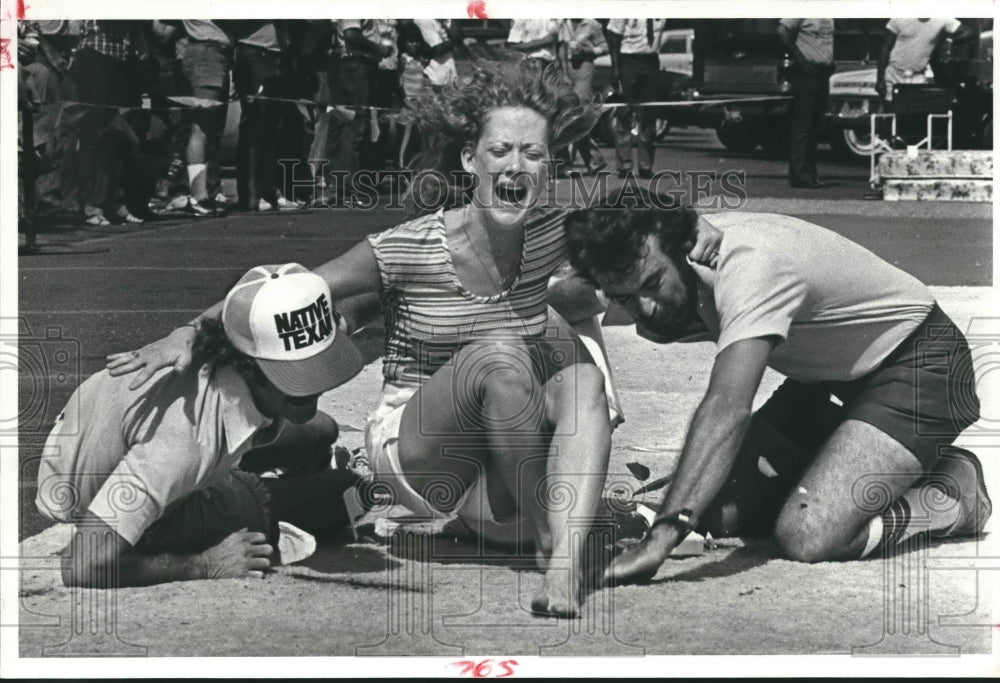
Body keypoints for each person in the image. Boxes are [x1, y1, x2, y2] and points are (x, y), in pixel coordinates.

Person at [105, 60, 723, 617]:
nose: (516, 166)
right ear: (469, 161)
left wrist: (708, 230)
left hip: (502, 469)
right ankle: (551, 539)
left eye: (533, 154)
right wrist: (187, 332)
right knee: (499, 357)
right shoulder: (407, 247)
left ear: (549, 167)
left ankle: (561, 563)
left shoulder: (552, 234)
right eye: (501, 150)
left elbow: (642, 222)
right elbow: (284, 290)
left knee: (582, 369)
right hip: (420, 452)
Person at [563, 186, 991, 584]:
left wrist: (659, 541)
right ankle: (855, 460)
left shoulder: (749, 267)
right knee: (721, 513)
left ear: (684, 249)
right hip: (826, 381)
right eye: (623, 297)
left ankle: (952, 492)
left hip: (920, 365)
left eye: (653, 284)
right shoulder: (662, 243)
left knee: (808, 532)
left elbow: (727, 408)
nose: (646, 308)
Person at [38, 264, 366, 588]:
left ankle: (247, 479)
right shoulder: (183, 445)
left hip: (105, 437)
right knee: (339, 492)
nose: (315, 385)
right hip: (126, 485)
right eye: (298, 372)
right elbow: (84, 565)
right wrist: (202, 565)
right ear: (247, 364)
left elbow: (361, 303)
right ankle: (255, 497)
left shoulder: (217, 340)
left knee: (321, 430)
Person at [776, 19, 835, 189]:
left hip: (823, 71)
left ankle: (811, 173)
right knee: (804, 124)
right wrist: (799, 57)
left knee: (816, 124)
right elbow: (782, 31)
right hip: (807, 72)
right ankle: (800, 174)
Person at [604, 18, 666, 179]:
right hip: (628, 60)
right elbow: (614, 36)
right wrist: (616, 69)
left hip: (651, 61)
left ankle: (645, 166)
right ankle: (624, 165)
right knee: (625, 113)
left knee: (649, 114)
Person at [876, 18, 970, 102]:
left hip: (918, 78)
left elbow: (969, 32)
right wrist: (880, 79)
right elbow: (885, 48)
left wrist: (949, 40)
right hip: (893, 75)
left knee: (918, 116)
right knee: (891, 116)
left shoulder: (942, 18)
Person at [560, 19, 608, 177]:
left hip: (584, 67)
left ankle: (574, 162)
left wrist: (589, 49)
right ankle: (591, 160)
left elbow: (604, 47)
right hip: (564, 67)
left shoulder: (592, 24)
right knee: (564, 115)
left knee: (578, 114)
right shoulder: (561, 22)